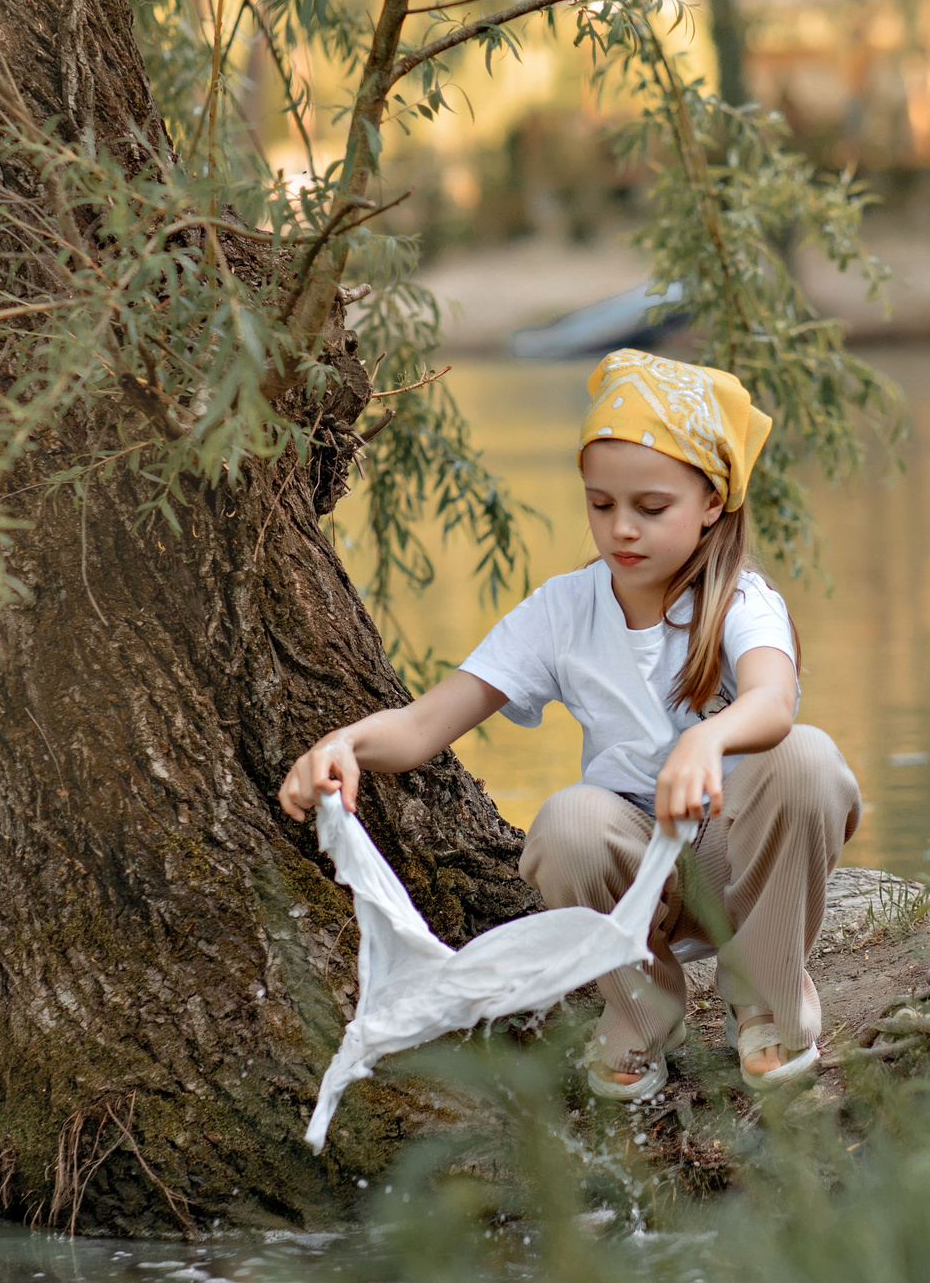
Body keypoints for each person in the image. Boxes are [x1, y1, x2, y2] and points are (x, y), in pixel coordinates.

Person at [278, 349, 859, 1102]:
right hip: (631, 878)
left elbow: (773, 700)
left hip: (733, 857)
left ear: (712, 501)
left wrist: (706, 739)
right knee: (566, 819)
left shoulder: (742, 600)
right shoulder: (564, 610)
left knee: (809, 759)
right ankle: (640, 1012)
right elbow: (426, 724)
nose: (621, 529)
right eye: (600, 504)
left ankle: (768, 1001)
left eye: (651, 508)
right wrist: (345, 744)